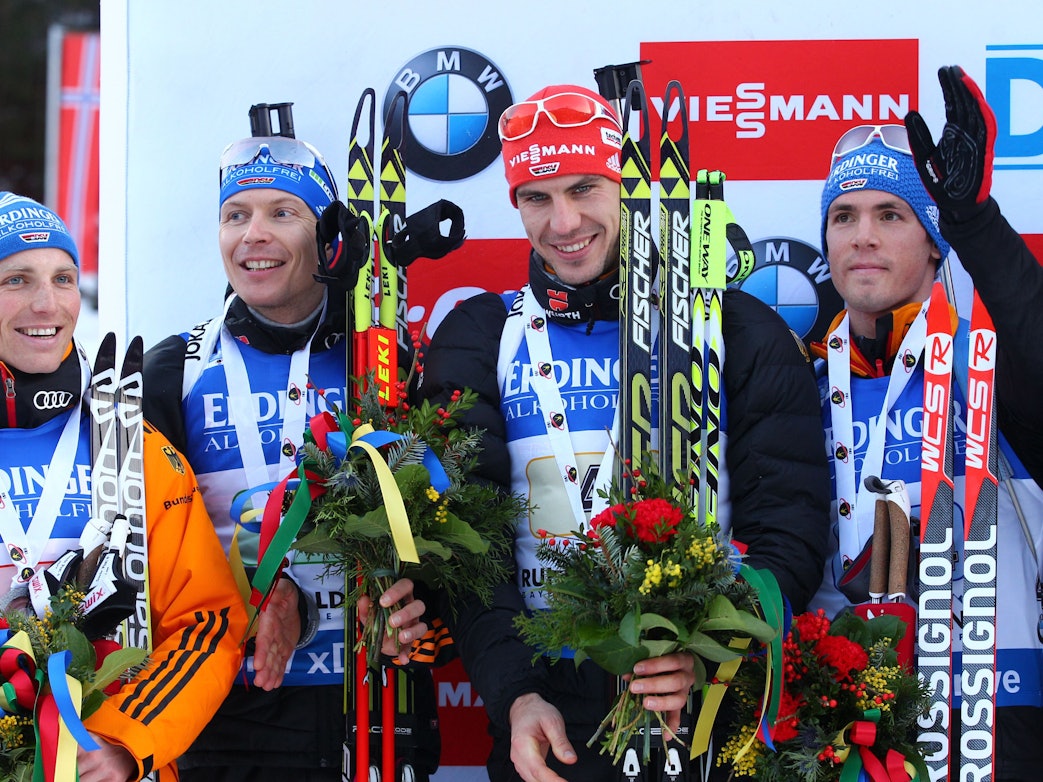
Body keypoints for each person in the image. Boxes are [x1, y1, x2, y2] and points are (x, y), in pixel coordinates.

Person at [414, 84, 831, 782]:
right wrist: (514, 694)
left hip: (704, 703)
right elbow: (471, 550)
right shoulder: (478, 335)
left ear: (628, 189)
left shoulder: (733, 327)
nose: (563, 220)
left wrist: (711, 651)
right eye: (535, 197)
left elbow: (789, 525)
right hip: (546, 711)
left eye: (585, 188)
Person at [142, 123, 435, 780]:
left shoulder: (383, 359)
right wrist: (260, 590)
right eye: (235, 215)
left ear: (326, 237)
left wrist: (418, 604)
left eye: (283, 212)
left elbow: (448, 521)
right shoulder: (172, 370)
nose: (254, 233)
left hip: (368, 700)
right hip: (228, 710)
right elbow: (150, 552)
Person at [810, 66, 1043, 781]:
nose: (862, 237)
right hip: (843, 721)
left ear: (934, 243)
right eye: (843, 216)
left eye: (891, 215)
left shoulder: (992, 369)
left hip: (993, 716)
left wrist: (973, 221)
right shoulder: (803, 386)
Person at [0, 191, 247, 781]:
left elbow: (207, 625)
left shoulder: (130, 442)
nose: (47, 303)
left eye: (63, 277)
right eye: (16, 280)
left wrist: (126, 744)